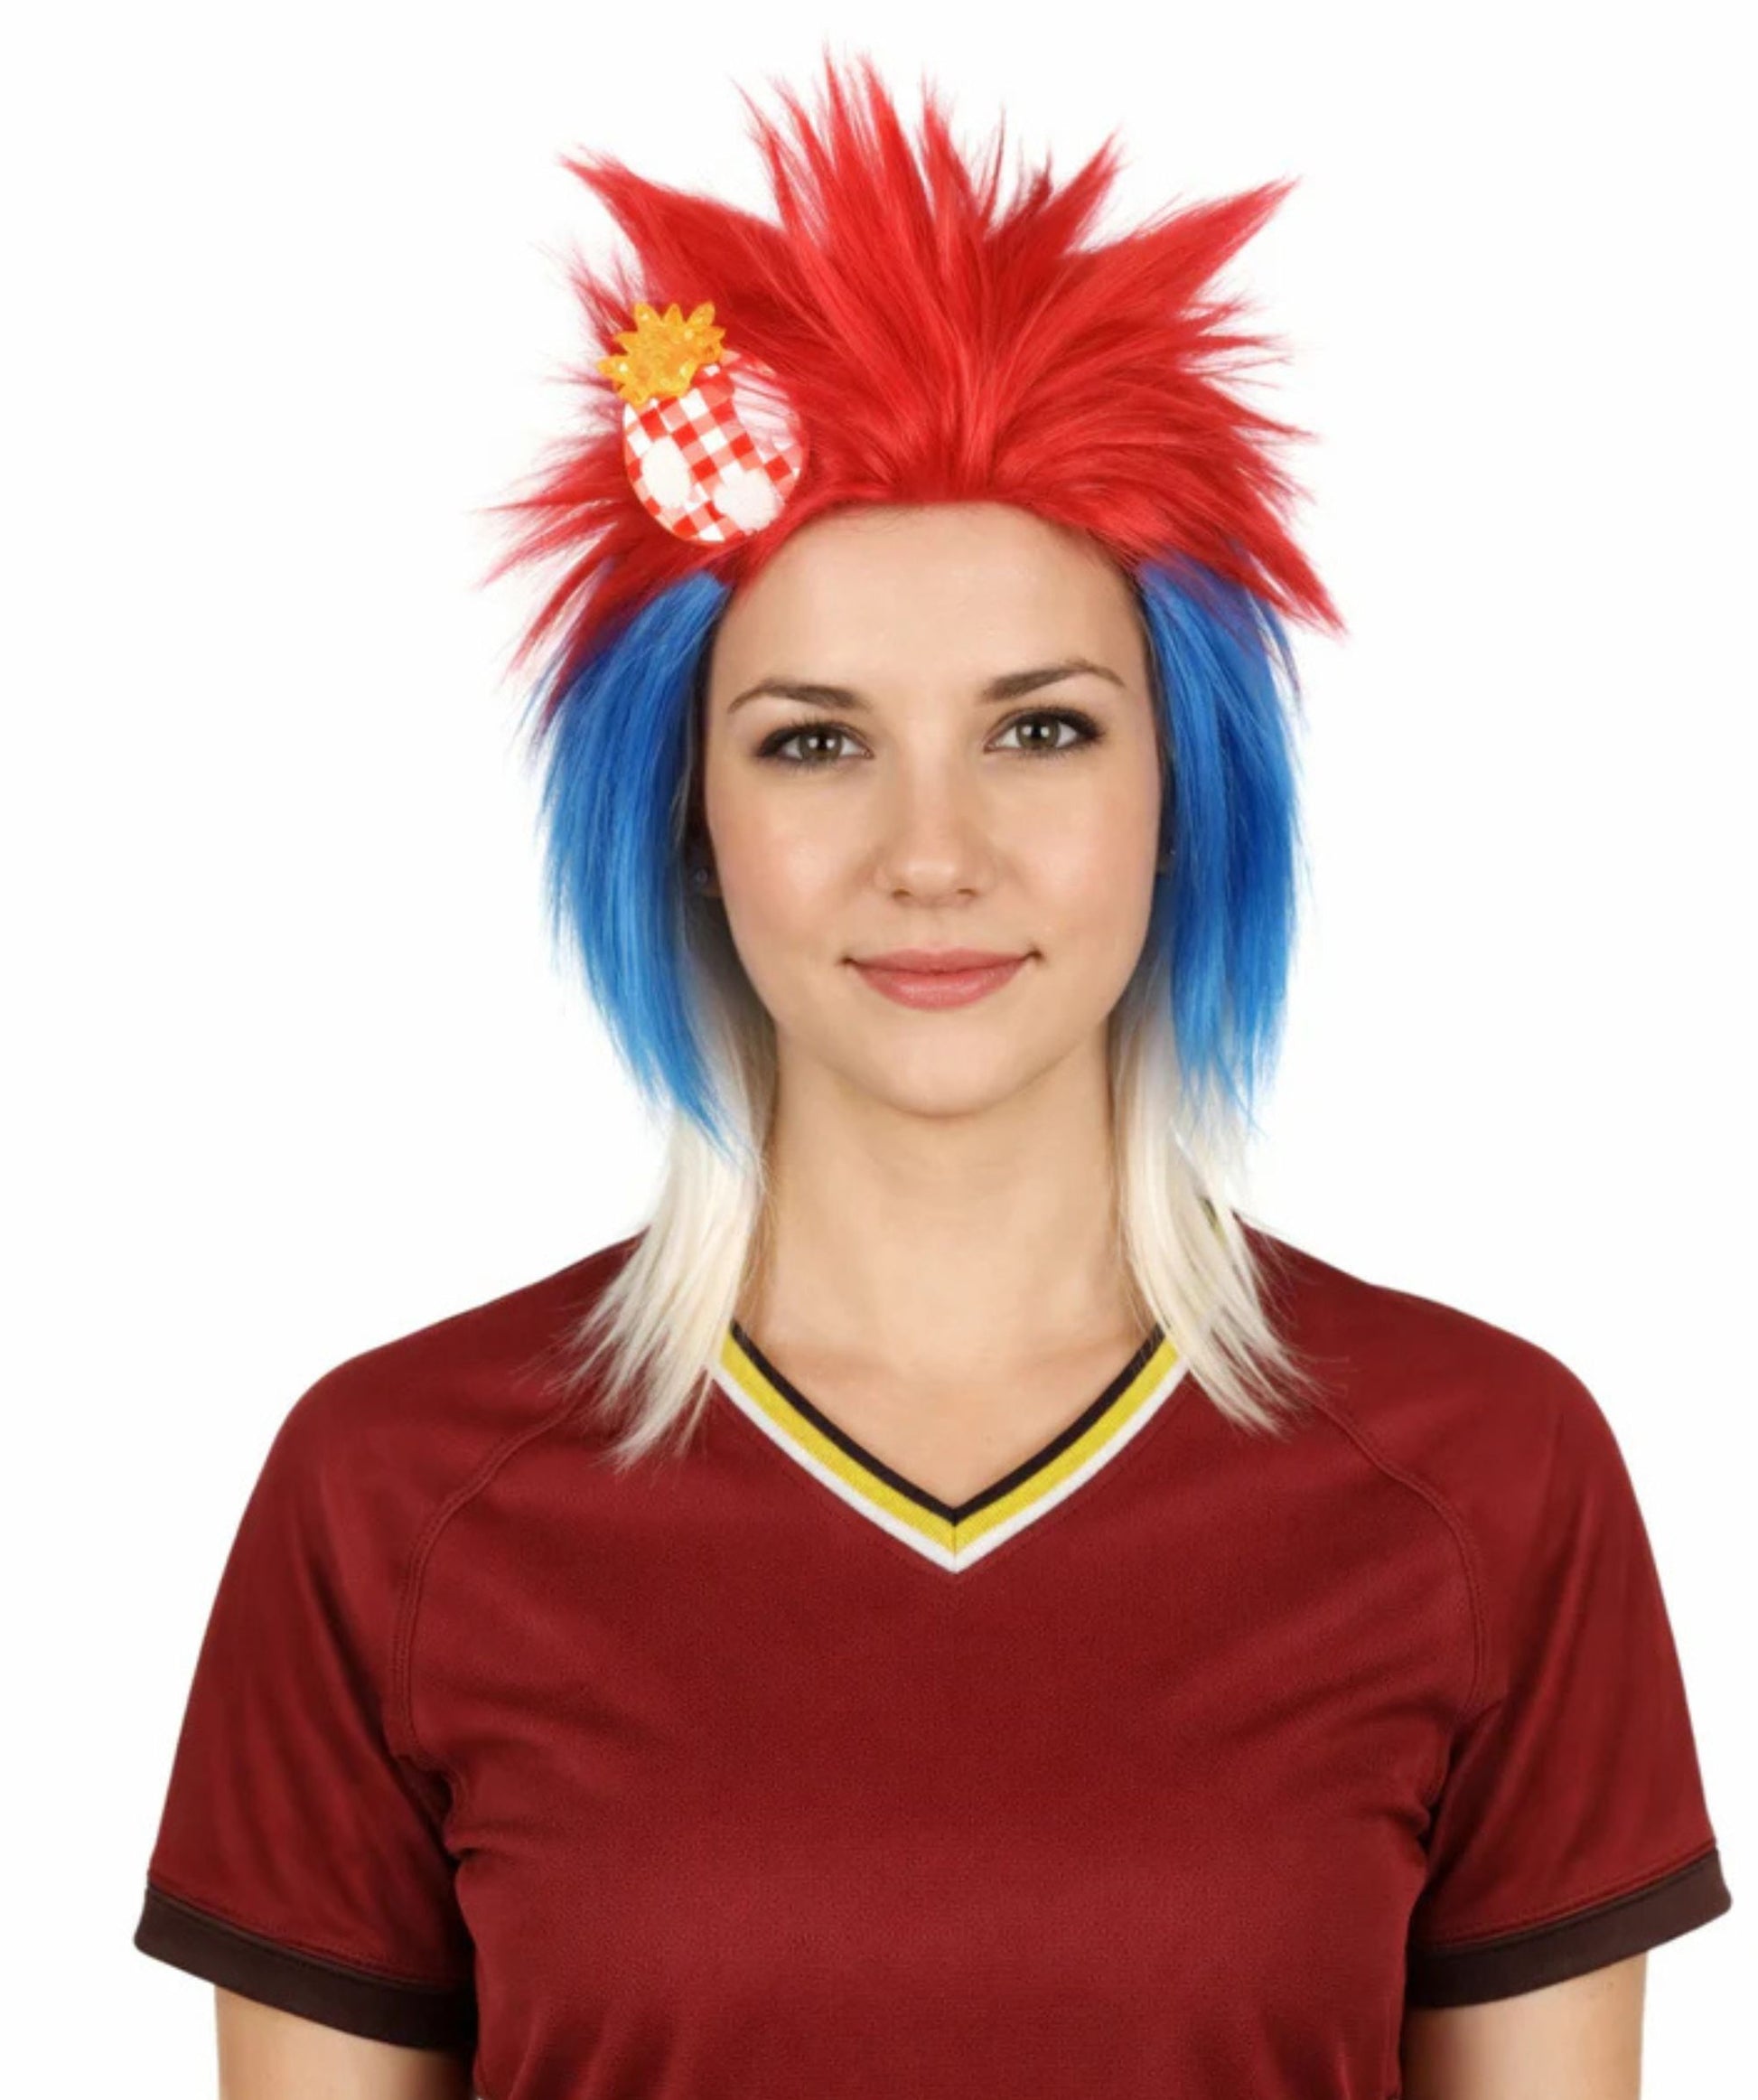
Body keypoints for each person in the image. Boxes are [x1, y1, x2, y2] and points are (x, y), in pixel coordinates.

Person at [131, 48, 1732, 2100]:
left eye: (1039, 729)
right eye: (815, 740)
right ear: (684, 815)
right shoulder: (393, 1496)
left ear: (1184, 791)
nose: (933, 851)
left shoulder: (1486, 1476)